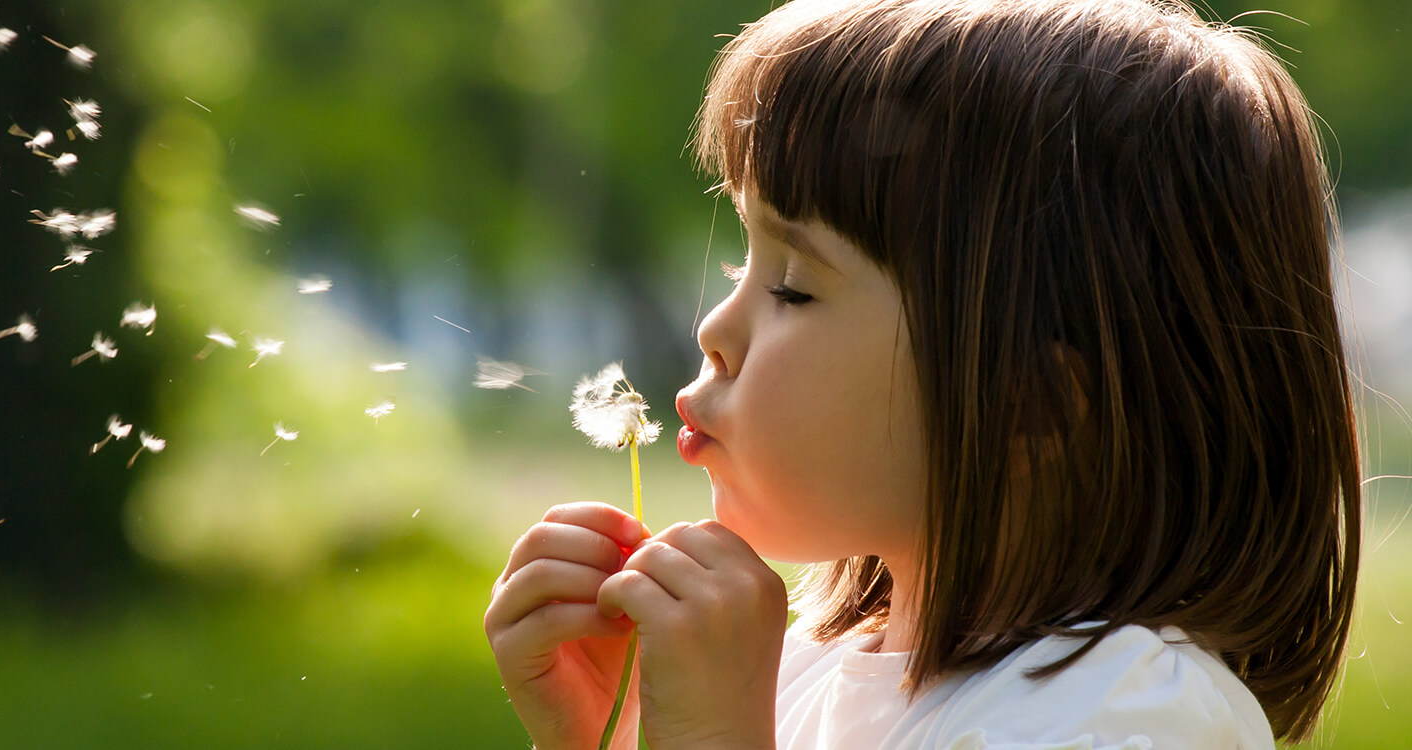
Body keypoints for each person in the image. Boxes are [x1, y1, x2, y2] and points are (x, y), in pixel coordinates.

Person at [483, 0, 1364, 748]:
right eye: (738, 268)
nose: (714, 329)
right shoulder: (799, 673)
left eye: (792, 287)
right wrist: (625, 729)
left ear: (1031, 407)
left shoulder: (1127, 715)